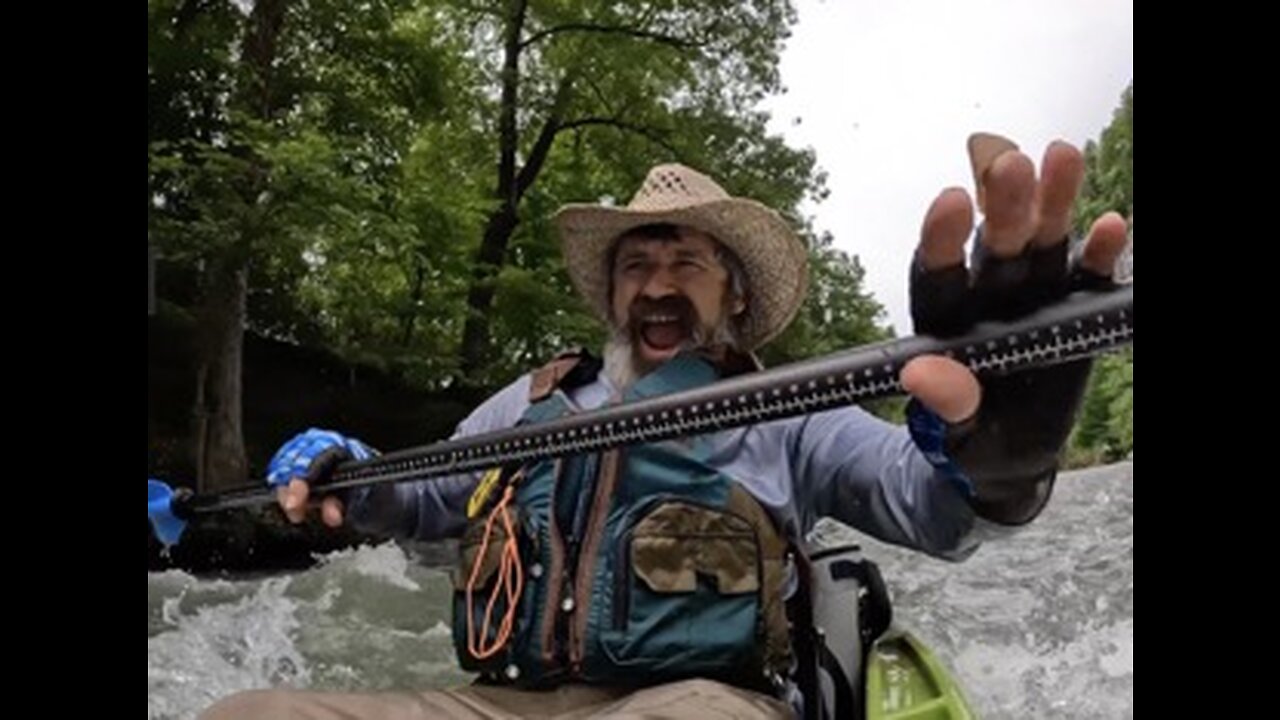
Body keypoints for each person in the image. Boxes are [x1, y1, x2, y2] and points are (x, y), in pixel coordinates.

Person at [199, 133, 1129, 719]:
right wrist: (348, 471)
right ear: (611, 292)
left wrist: (1002, 465)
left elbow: (938, 513)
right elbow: (416, 497)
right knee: (247, 713)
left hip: (702, 702)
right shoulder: (528, 407)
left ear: (731, 292)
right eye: (638, 261)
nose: (657, 281)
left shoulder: (791, 411)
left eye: (688, 258)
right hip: (501, 703)